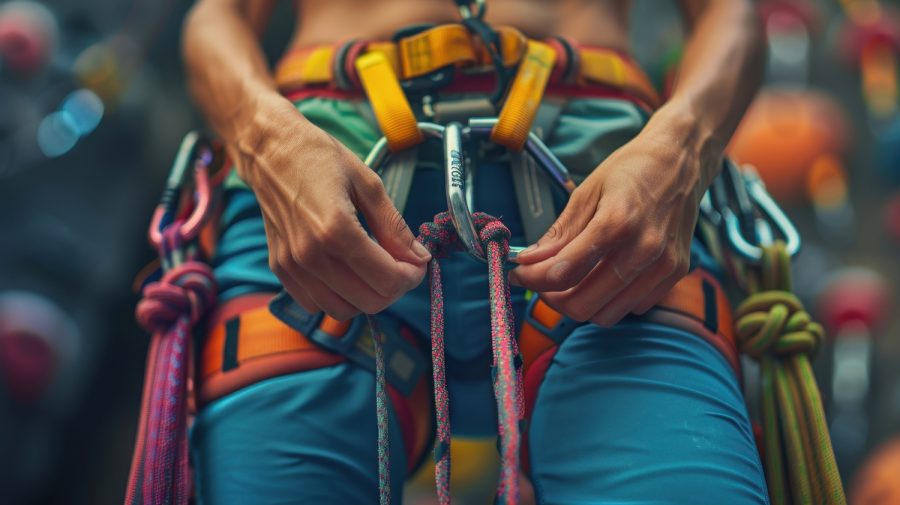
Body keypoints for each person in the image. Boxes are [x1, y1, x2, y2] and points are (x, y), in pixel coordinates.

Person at [181, 0, 769, 503]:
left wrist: (684, 148)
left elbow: (730, 11)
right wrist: (266, 140)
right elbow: (217, 15)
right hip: (314, 185)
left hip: (615, 198)